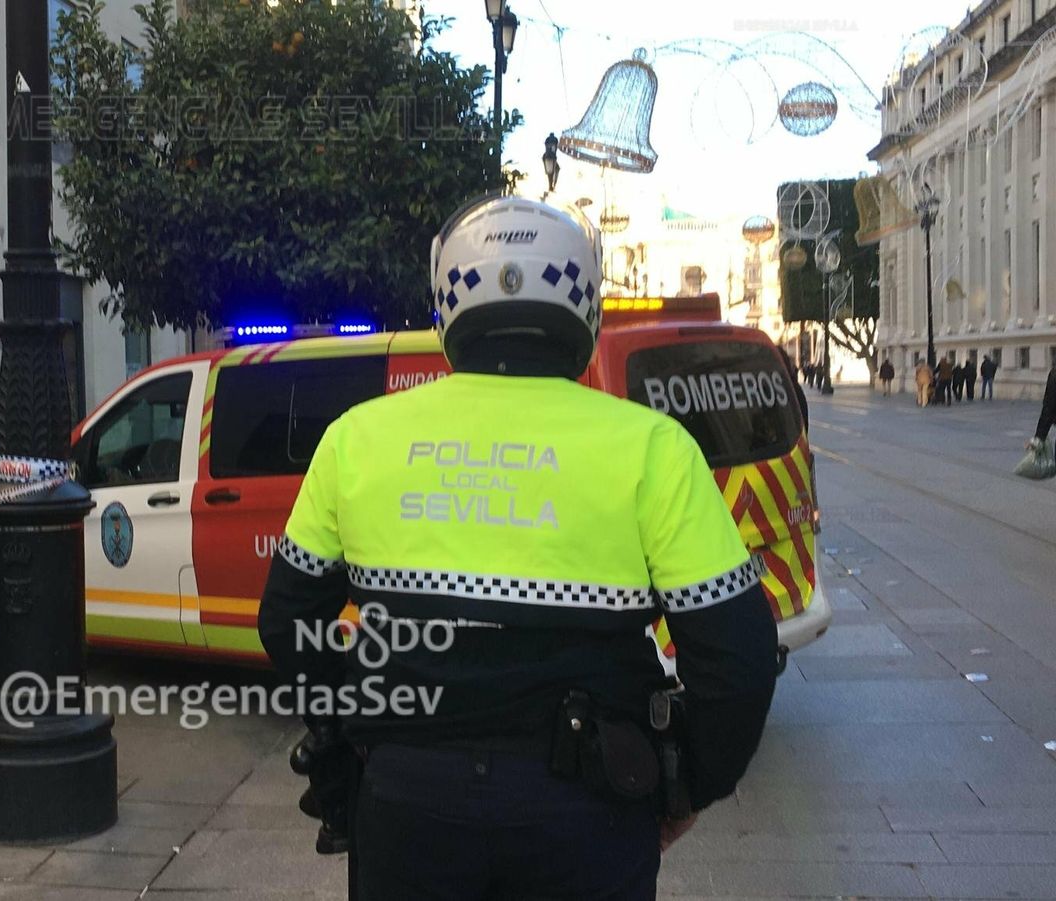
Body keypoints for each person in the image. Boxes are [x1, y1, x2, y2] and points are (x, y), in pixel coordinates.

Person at [259, 195, 779, 901]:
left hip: (408, 798)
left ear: (447, 306)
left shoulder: (356, 437)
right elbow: (740, 656)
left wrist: (346, 729)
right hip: (588, 809)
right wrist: (686, 782)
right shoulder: (652, 447)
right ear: (585, 306)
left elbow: (288, 619)